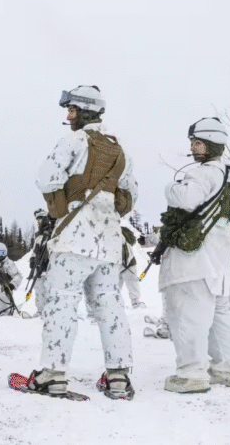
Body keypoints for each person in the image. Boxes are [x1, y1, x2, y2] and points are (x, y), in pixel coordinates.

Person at [30, 85, 137, 400]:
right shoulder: (120, 150)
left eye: (72, 110)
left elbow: (45, 177)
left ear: (85, 111)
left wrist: (63, 204)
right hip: (108, 240)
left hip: (74, 236)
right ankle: (119, 377)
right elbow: (130, 196)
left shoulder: (73, 140)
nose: (68, 116)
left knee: (62, 302)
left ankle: (52, 374)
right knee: (109, 304)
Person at [157, 117, 230, 393]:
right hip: (218, 261)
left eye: (197, 143)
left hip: (193, 261)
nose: (193, 148)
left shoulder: (202, 173)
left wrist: (169, 188)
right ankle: (228, 368)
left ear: (209, 145)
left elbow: (186, 199)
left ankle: (191, 373)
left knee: (187, 315)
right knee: (220, 314)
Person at [119, 221, 146, 309]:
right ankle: (134, 302)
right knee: (130, 284)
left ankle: (134, 302)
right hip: (123, 264)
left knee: (129, 284)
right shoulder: (124, 230)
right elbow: (133, 241)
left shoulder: (121, 230)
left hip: (125, 264)